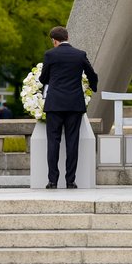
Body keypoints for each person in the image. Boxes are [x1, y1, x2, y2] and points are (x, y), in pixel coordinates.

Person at [39, 25, 98, 189]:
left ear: (54, 40)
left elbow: (44, 78)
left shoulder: (50, 55)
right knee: (72, 142)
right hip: (74, 104)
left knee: (53, 141)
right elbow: (92, 74)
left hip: (55, 104)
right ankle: (70, 180)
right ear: (67, 37)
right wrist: (93, 87)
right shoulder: (79, 55)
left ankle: (52, 180)